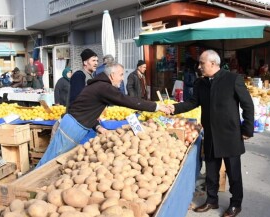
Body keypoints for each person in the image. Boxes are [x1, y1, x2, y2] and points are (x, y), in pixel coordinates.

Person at [168, 50, 254, 217]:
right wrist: (174, 108)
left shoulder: (232, 79)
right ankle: (211, 200)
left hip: (230, 135)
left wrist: (247, 129)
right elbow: (193, 102)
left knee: (233, 173)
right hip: (211, 135)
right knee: (212, 172)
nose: (199, 66)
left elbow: (248, 105)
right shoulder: (201, 83)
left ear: (213, 63)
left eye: (202, 63)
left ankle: (236, 204)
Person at [36, 62, 171, 167]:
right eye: (121, 75)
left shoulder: (99, 86)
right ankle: (27, 187)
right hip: (71, 127)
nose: (122, 79)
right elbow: (127, 101)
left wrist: (98, 127)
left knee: (55, 159)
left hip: (75, 126)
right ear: (112, 75)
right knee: (50, 160)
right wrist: (157, 106)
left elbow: (87, 109)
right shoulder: (104, 87)